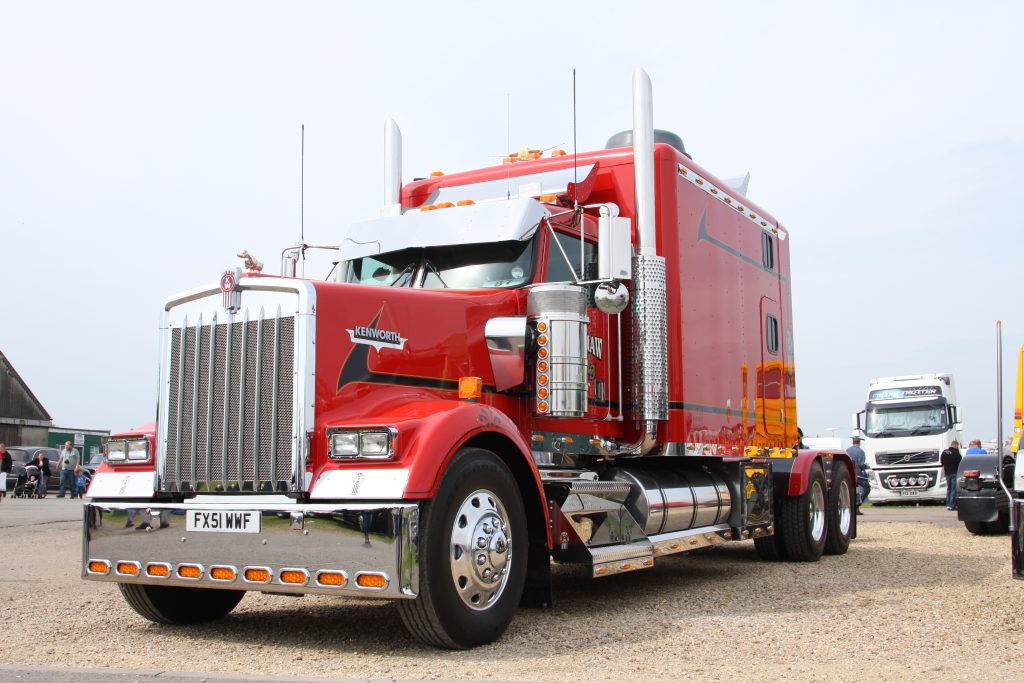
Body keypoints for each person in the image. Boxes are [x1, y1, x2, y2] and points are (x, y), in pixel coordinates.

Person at [846, 436, 869, 514]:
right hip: (859, 474)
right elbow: (861, 464)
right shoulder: (860, 451)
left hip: (849, 474)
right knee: (867, 489)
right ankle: (857, 505)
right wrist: (866, 467)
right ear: (859, 442)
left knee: (853, 491)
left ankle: (853, 508)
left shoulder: (847, 450)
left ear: (853, 442)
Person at [940, 440, 962, 511]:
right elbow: (960, 463)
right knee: (953, 489)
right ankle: (952, 505)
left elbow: (942, 462)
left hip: (947, 473)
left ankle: (948, 504)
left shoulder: (944, 452)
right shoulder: (956, 453)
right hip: (954, 473)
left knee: (949, 489)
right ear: (956, 445)